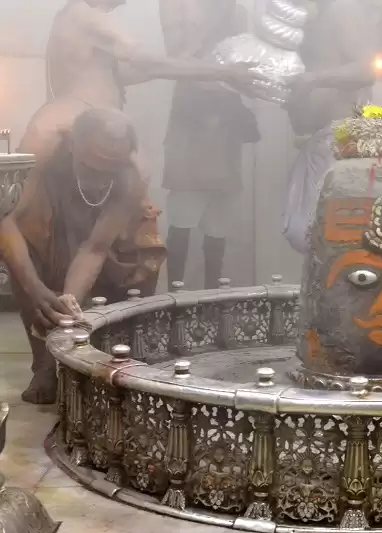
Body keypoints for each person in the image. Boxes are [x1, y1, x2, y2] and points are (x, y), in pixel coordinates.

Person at [0, 108, 166, 405]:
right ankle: (43, 365)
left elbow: (95, 248)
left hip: (99, 228)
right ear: (72, 145)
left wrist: (66, 307)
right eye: (92, 167)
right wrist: (35, 289)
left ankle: (98, 355)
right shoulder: (42, 146)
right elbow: (6, 219)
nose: (99, 180)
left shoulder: (131, 178)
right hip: (42, 204)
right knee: (27, 251)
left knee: (137, 260)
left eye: (110, 170)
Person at [19, 0, 263, 186]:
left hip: (89, 136)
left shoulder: (76, 18)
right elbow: (146, 63)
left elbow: (128, 73)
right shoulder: (87, 17)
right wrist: (224, 72)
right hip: (85, 135)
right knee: (138, 180)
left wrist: (184, 59)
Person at [160, 0, 260, 289]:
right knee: (182, 219)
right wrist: (204, 27)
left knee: (218, 224)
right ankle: (174, 297)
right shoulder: (177, 4)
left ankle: (213, 296)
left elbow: (242, 65)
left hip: (225, 131)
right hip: (190, 128)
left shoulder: (237, 11)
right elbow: (175, 60)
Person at [282, 0, 382, 253]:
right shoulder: (307, 20)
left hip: (343, 143)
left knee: (340, 238)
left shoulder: (344, 8)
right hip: (320, 142)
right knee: (309, 236)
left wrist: (313, 79)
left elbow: (365, 69)